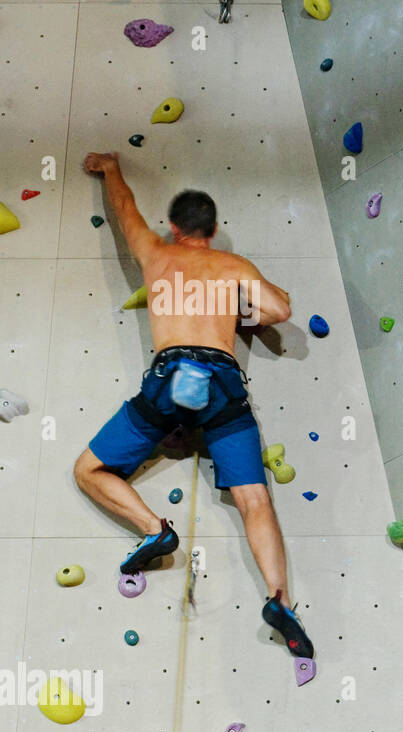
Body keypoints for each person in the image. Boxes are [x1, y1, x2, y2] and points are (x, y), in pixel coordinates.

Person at [75, 152, 314, 659]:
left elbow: (124, 210)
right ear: (214, 229)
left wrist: (111, 169)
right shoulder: (232, 266)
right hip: (221, 382)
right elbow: (280, 308)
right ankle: (279, 600)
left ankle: (154, 531)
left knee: (88, 470)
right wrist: (242, 310)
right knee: (254, 500)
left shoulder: (156, 252)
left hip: (169, 378)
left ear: (174, 227)